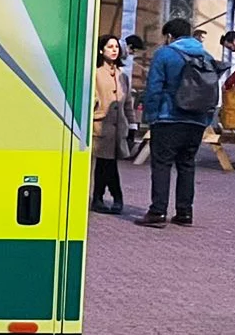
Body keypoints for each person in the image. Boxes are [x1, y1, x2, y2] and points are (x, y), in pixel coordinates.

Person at [137, 18, 220, 227]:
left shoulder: (165, 54)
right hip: (197, 120)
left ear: (169, 36)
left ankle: (157, 211)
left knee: (162, 164)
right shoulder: (206, 56)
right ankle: (184, 212)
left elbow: (154, 87)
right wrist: (206, 119)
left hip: (168, 118)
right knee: (187, 165)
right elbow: (213, 90)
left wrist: (151, 116)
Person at [91, 34, 133, 214]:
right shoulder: (95, 73)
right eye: (109, 47)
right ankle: (117, 196)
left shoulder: (122, 75)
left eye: (116, 47)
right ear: (101, 50)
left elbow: (128, 102)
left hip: (119, 128)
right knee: (107, 163)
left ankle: (98, 198)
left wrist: (132, 125)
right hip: (101, 126)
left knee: (105, 164)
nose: (114, 50)